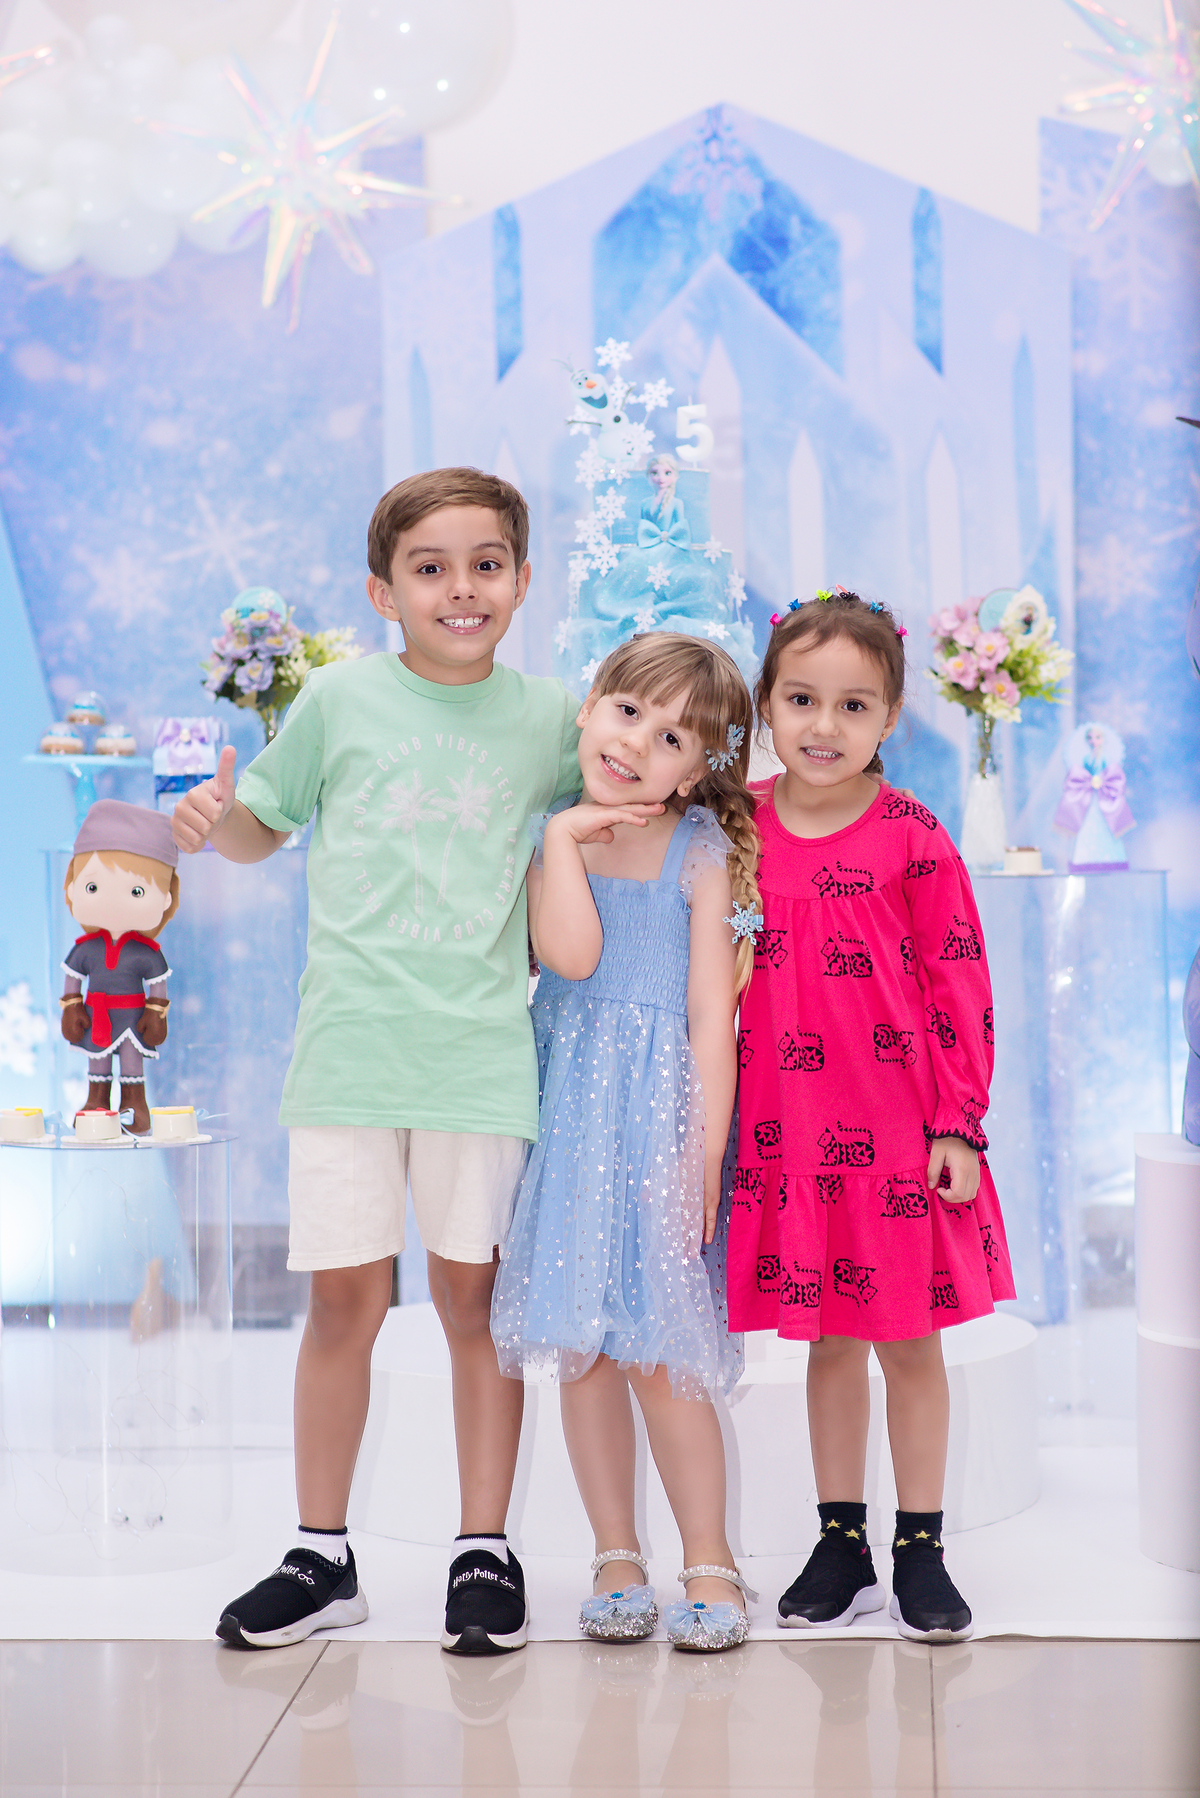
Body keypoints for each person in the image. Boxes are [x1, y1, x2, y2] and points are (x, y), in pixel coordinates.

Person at [172, 468, 582, 1655]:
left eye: (486, 564)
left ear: (522, 579)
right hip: (350, 1049)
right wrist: (214, 820)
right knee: (343, 1301)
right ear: (382, 590)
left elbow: (606, 824)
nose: (462, 589)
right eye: (431, 567)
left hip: (479, 1053)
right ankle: (321, 1553)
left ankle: (484, 1550)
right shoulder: (340, 699)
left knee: (475, 1305)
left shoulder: (552, 717)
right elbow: (261, 829)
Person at [728, 590, 1015, 1643]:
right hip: (790, 1135)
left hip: (899, 1138)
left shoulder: (913, 837)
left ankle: (920, 1546)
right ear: (766, 705)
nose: (824, 725)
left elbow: (959, 981)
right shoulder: (737, 825)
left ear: (890, 717)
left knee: (910, 1344)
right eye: (801, 699)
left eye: (854, 706)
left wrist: (959, 1124)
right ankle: (840, 1542)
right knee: (831, 1344)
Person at [491, 632, 761, 1651]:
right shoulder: (547, 834)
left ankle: (710, 1557)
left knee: (661, 1355)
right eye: (628, 711)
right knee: (585, 1349)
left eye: (673, 736)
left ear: (698, 770)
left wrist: (703, 1152)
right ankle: (615, 1553)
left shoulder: (700, 850)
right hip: (569, 1117)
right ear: (589, 706)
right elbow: (569, 956)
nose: (638, 742)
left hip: (658, 1121)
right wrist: (563, 842)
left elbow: (709, 1017)